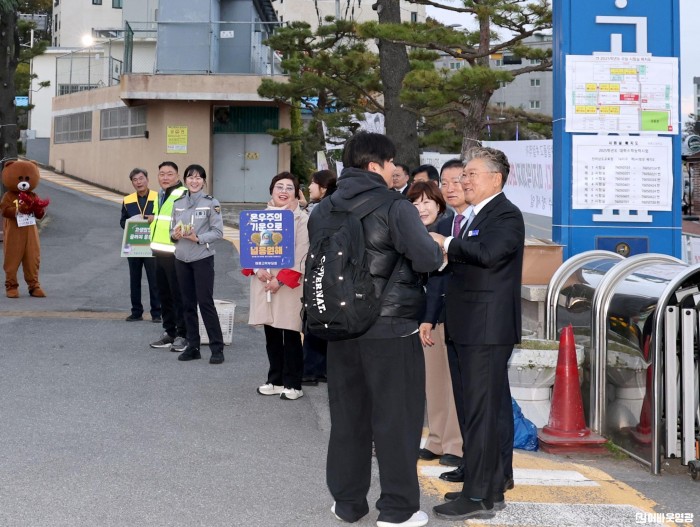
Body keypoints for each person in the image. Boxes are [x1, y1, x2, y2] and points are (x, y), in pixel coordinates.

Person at [312, 131, 444, 527]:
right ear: (375, 166)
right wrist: (438, 247)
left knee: (349, 419)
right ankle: (398, 510)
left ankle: (348, 504)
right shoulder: (393, 206)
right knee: (396, 421)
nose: (394, 172)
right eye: (390, 165)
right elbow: (425, 259)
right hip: (391, 329)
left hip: (340, 326)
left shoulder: (324, 208)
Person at [430, 147, 524, 521]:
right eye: (463, 175)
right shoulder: (477, 214)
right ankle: (491, 482)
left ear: (495, 179)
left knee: (482, 412)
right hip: (469, 326)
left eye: (471, 174)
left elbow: (488, 253)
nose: (463, 181)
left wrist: (447, 244)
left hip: (485, 329)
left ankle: (480, 496)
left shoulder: (505, 215)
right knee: (484, 409)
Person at [407, 182, 463, 468]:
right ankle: (437, 439)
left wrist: (428, 318)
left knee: (450, 382)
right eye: (415, 204)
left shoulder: (445, 233)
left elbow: (440, 281)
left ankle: (455, 443)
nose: (422, 209)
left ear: (440, 205)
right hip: (421, 319)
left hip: (442, 318)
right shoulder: (413, 234)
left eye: (428, 202)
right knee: (433, 383)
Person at [247, 172, 309, 400]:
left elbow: (302, 252)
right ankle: (275, 379)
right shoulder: (259, 217)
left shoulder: (302, 219)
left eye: (289, 188)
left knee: (290, 331)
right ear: (271, 190)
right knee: (270, 332)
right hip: (263, 281)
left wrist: (280, 279)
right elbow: (249, 249)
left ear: (296, 192)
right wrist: (256, 269)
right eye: (279, 187)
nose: (283, 191)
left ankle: (293, 382)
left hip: (288, 284)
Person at [170, 164, 225, 364]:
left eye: (198, 177)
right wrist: (174, 235)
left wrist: (198, 238)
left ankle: (217, 348)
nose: (194, 181)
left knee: (205, 303)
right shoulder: (177, 203)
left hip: (202, 258)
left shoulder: (212, 203)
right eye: (190, 177)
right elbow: (171, 231)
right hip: (181, 259)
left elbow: (218, 232)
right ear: (185, 180)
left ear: (204, 181)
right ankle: (192, 346)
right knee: (187, 304)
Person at [301, 169, 337, 386]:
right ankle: (323, 369)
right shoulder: (334, 205)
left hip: (319, 270)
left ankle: (310, 370)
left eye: (312, 183)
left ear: (322, 187)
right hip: (333, 271)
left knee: (314, 320)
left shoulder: (320, 209)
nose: (309, 188)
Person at [148, 161, 188, 352]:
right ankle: (169, 332)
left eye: (169, 174)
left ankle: (183, 334)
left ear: (178, 176)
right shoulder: (159, 195)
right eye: (162, 174)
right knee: (164, 294)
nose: (165, 177)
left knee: (178, 295)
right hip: (159, 252)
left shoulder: (182, 194)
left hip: (176, 253)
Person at [119, 168, 161, 323]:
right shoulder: (127, 200)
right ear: (132, 183)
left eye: (141, 178)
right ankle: (136, 312)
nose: (139, 182)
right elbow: (122, 222)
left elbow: (164, 218)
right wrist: (132, 221)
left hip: (152, 243)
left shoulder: (158, 197)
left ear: (147, 179)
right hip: (134, 242)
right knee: (134, 279)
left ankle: (157, 313)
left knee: (154, 279)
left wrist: (154, 218)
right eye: (135, 180)